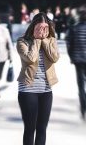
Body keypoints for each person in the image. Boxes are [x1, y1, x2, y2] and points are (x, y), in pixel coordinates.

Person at [16, 12, 59, 145]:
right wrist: (36, 40)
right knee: (30, 129)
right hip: (28, 89)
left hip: (46, 90)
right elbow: (30, 58)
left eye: (45, 28)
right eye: (39, 27)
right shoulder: (22, 41)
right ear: (33, 26)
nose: (42, 30)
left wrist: (45, 41)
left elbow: (55, 58)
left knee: (42, 129)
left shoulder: (51, 40)